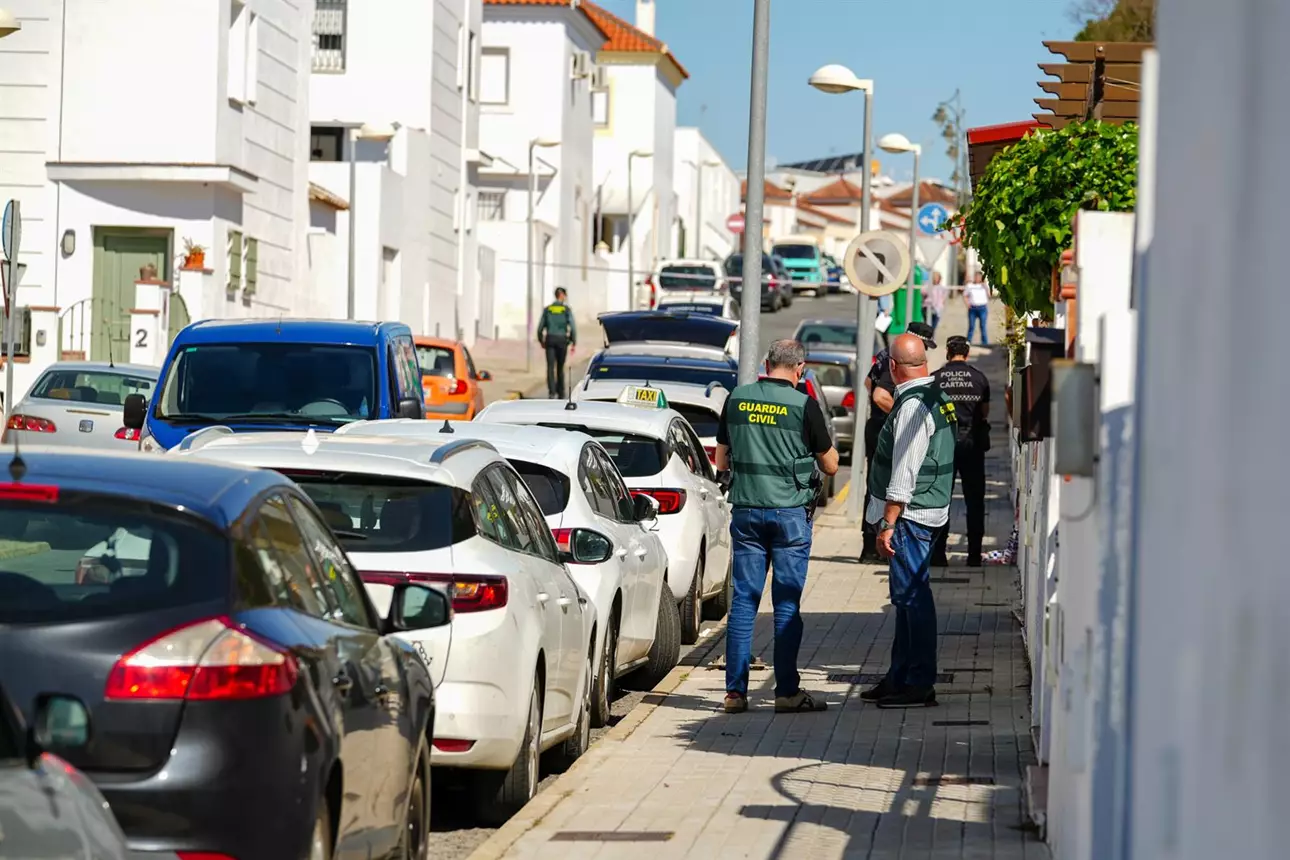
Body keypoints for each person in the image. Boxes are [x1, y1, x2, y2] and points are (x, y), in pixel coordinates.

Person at [715, 339, 839, 715]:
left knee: (743, 603)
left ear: (767, 363)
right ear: (800, 369)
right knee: (785, 605)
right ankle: (786, 692)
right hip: (789, 517)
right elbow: (832, 466)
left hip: (747, 512)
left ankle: (735, 694)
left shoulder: (737, 398)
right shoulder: (805, 405)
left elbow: (721, 459)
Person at [862, 333, 957, 709]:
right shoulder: (937, 396)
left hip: (911, 516)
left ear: (893, 368)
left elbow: (904, 471)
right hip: (929, 511)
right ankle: (898, 676)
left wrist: (887, 523)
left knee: (913, 599)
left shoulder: (914, 408)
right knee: (905, 600)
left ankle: (919, 683)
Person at [860, 321, 936, 563]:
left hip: (877, 426)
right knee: (885, 486)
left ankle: (871, 545)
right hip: (884, 429)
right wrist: (904, 413)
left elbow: (867, 383)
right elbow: (879, 394)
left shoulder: (886, 354)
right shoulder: (895, 362)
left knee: (876, 486)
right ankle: (874, 544)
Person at [930, 336, 991, 566]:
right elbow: (983, 412)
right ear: (966, 353)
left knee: (940, 500)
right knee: (975, 501)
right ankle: (974, 555)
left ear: (948, 352)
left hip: (943, 445)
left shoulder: (935, 379)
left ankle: (938, 554)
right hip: (972, 444)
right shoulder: (979, 378)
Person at [536, 287, 576, 398]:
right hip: (562, 340)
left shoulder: (548, 309)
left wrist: (541, 340)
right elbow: (572, 326)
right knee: (560, 367)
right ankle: (561, 392)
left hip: (550, 340)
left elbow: (540, 328)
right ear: (562, 295)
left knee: (550, 367)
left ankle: (552, 391)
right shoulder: (566, 309)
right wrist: (573, 341)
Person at [963, 272, 991, 345]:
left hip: (982, 308)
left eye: (979, 277)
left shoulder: (984, 286)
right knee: (971, 326)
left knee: (983, 326)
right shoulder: (969, 286)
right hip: (973, 308)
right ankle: (968, 342)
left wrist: (985, 286)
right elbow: (965, 295)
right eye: (976, 277)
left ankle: (984, 343)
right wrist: (967, 304)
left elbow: (989, 295)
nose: (977, 278)